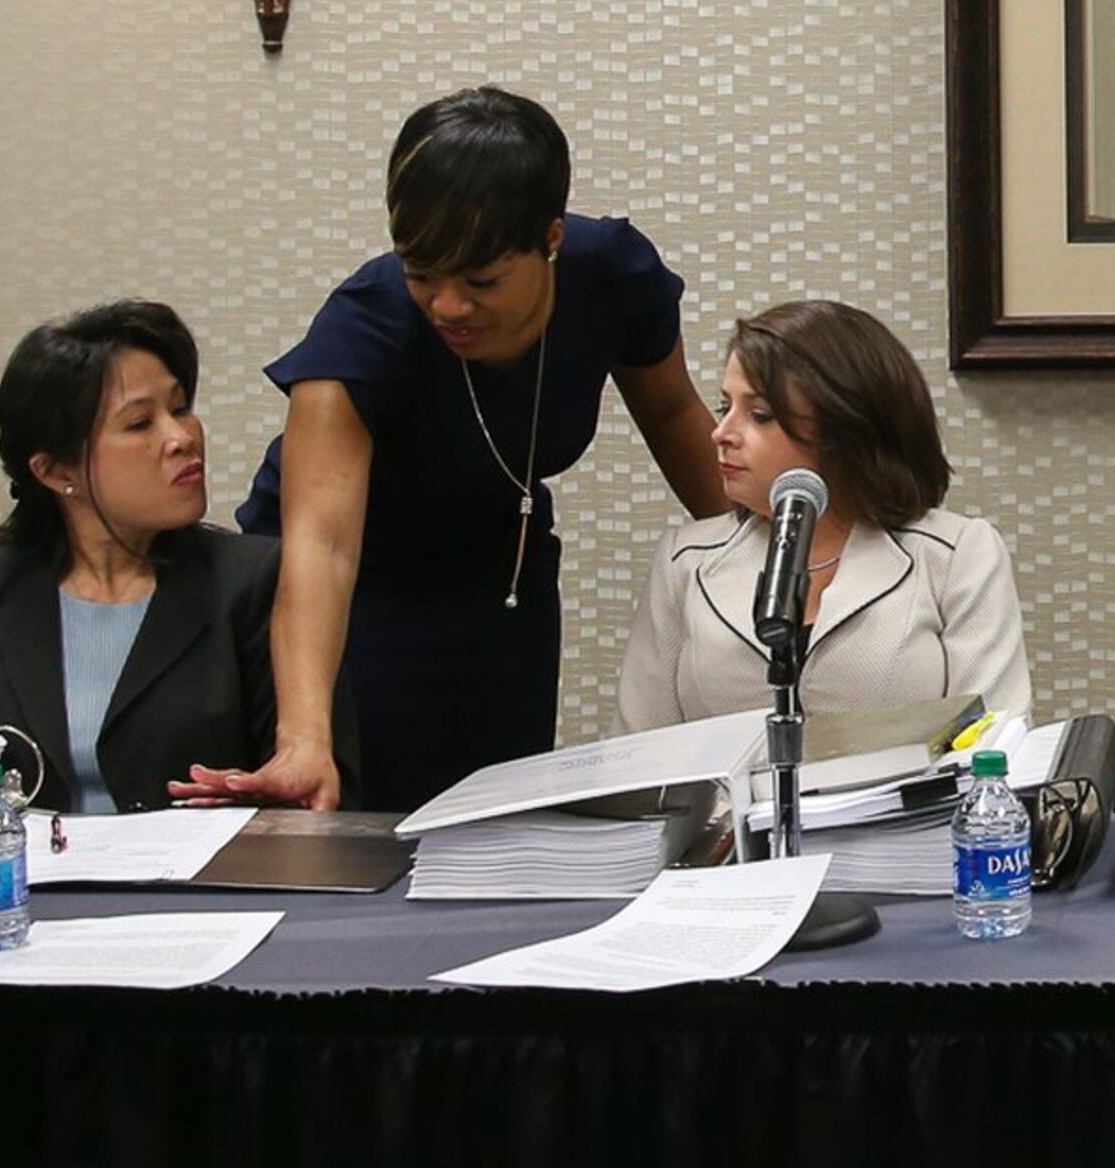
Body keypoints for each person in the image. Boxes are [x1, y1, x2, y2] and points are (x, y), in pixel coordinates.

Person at [213, 88, 730, 814]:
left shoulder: (612, 275)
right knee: (371, 815)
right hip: (356, 591)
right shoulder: (365, 329)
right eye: (422, 274)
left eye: (481, 280)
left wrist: (752, 551)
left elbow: (674, 410)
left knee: (498, 812)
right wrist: (304, 738)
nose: (449, 306)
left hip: (503, 568)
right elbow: (321, 546)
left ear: (550, 238)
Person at [0, 302, 353, 810]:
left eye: (180, 409)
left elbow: (323, 793)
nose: (182, 438)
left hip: (210, 885)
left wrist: (251, 809)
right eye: (140, 423)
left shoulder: (257, 583)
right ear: (54, 472)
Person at [617, 300, 1030, 733]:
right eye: (726, 409)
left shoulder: (957, 556)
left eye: (760, 415)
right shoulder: (684, 561)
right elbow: (637, 762)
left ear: (845, 427)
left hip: (912, 802)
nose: (721, 434)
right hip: (726, 804)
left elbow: (997, 751)